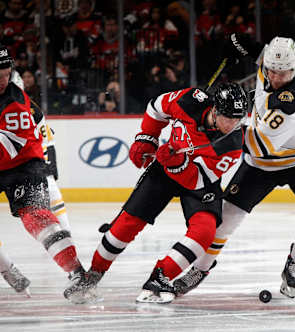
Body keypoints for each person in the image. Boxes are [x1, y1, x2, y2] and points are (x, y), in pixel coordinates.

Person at [174, 34, 295, 299]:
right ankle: (199, 270)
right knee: (223, 221)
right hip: (261, 164)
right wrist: (232, 43)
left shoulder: (291, 103)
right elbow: (250, 46)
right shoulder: (271, 65)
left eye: (282, 74)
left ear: (293, 70)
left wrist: (215, 124)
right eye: (270, 70)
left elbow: (256, 145)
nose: (274, 77)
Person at [63, 82, 248, 304]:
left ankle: (160, 276)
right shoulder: (190, 100)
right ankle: (94, 272)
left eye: (238, 119)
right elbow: (156, 106)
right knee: (125, 225)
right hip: (165, 166)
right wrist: (147, 137)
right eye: (229, 118)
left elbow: (198, 180)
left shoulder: (234, 143)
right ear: (215, 110)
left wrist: (178, 164)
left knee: (206, 231)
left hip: (199, 182)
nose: (233, 124)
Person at [0, 45, 85, 301]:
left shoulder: (16, 103)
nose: (3, 81)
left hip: (23, 165)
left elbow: (11, 147)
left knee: (37, 217)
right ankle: (9, 271)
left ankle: (77, 273)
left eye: (6, 73)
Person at [12, 68, 72, 232]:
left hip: (28, 164)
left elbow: (46, 141)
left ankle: (64, 238)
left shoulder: (32, 110)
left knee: (52, 195)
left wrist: (49, 170)